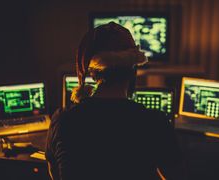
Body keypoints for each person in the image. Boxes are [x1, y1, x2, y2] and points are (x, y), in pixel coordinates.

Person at [46, 22, 187, 180]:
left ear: (91, 73)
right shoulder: (155, 122)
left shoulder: (62, 119)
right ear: (133, 71)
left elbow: (55, 173)